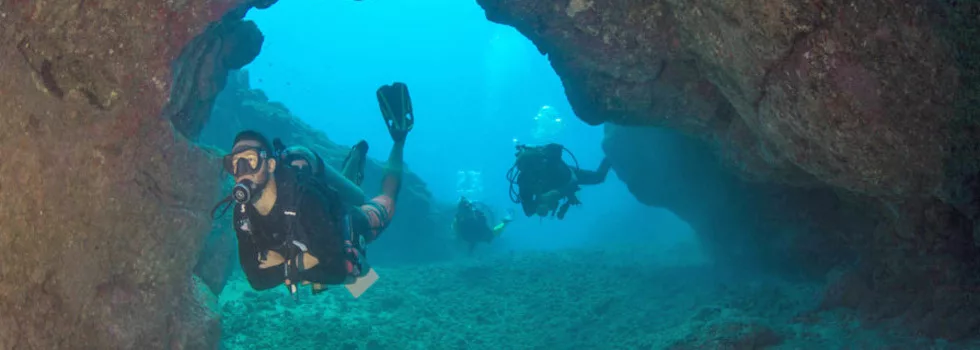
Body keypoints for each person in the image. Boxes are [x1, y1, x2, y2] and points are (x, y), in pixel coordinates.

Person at [211, 82, 414, 296]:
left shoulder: (303, 198)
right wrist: (300, 264)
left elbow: (337, 271)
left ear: (270, 165)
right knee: (336, 200)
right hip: (315, 234)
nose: (241, 171)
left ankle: (399, 139)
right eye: (235, 163)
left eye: (250, 161)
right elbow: (256, 280)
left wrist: (285, 265)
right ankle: (354, 160)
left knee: (387, 202)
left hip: (347, 222)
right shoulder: (242, 212)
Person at [507, 143, 611, 220]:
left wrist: (558, 193)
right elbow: (528, 211)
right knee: (598, 178)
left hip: (567, 177)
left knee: (599, 177)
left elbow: (572, 181)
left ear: (543, 162)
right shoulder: (524, 180)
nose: (534, 174)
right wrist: (539, 205)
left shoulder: (555, 166)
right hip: (555, 186)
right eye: (529, 171)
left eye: (537, 168)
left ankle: (611, 155)